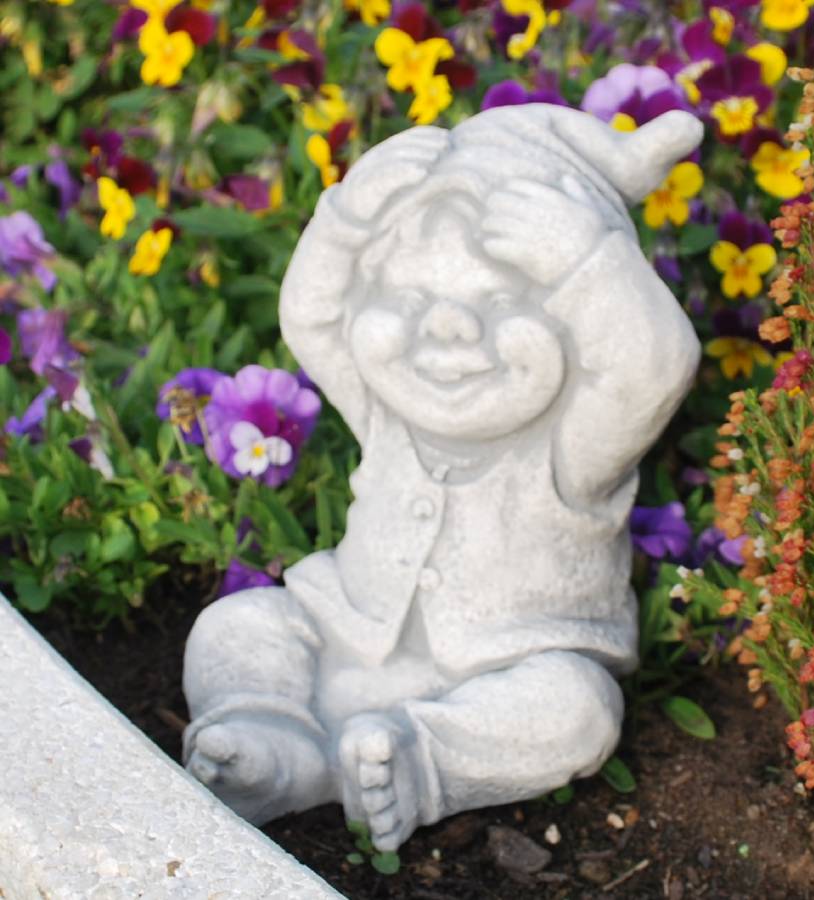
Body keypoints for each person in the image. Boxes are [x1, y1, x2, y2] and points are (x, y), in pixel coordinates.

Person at [182, 104, 703, 851]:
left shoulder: (571, 446)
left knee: (579, 712)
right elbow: (312, 319)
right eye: (410, 298)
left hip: (510, 668)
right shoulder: (390, 410)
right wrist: (346, 223)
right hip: (350, 636)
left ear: (580, 330)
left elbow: (651, 369)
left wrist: (590, 263)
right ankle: (270, 742)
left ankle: (414, 764)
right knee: (237, 627)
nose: (448, 330)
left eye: (499, 302)